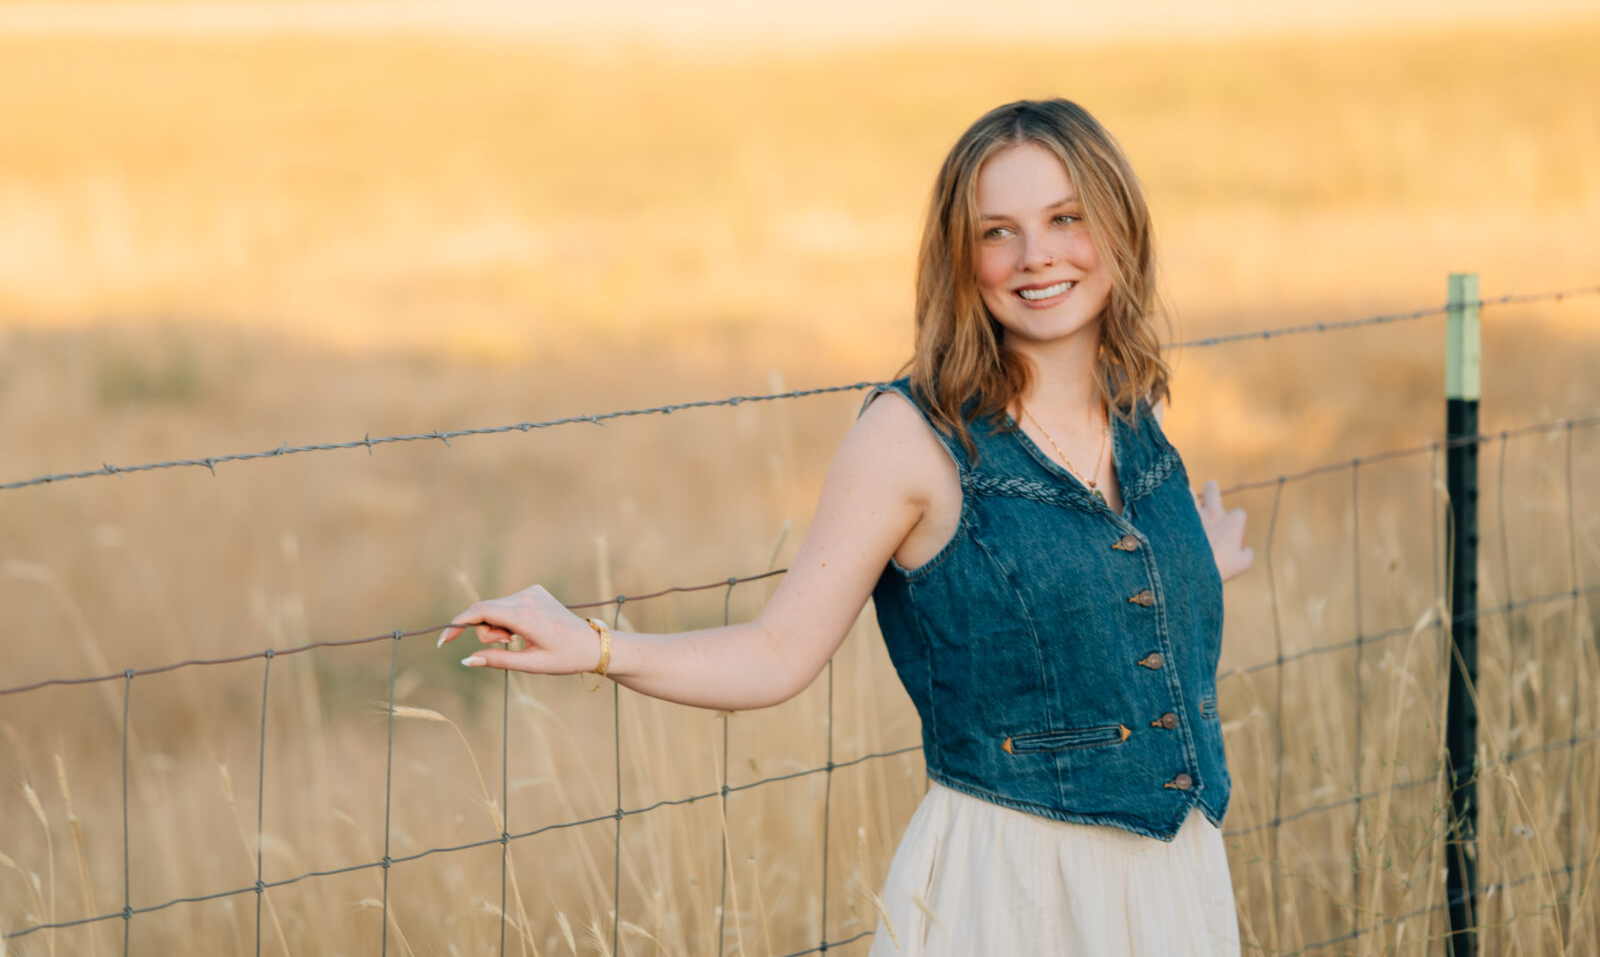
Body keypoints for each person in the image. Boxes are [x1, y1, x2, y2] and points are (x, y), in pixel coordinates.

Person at [437, 98, 1254, 955]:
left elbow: (1098, 600)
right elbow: (778, 653)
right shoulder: (911, 439)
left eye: (1065, 218)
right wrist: (602, 646)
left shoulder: (1132, 407)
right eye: (997, 232)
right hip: (1017, 887)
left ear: (1120, 227)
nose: (1037, 256)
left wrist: (1190, 566)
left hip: (1176, 880)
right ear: (959, 258)